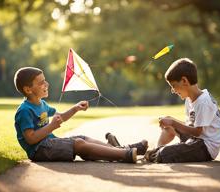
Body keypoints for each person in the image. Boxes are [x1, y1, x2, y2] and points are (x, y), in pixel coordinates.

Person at [13, 67, 147, 163]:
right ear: (28, 89)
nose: (46, 84)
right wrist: (51, 126)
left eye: (45, 80)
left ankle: (124, 149)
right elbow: (30, 139)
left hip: (49, 143)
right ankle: (124, 154)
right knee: (78, 144)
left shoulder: (42, 104)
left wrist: (75, 108)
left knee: (81, 138)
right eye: (41, 82)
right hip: (39, 150)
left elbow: (61, 117)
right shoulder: (25, 110)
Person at [144, 58, 220, 163]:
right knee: (169, 126)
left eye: (173, 86)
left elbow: (197, 132)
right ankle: (157, 149)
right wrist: (171, 122)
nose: (173, 91)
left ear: (184, 81)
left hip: (206, 147)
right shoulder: (189, 99)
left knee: (164, 154)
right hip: (196, 140)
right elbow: (190, 127)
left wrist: (174, 122)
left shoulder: (203, 101)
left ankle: (157, 153)